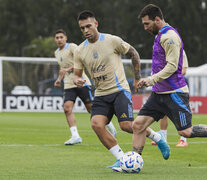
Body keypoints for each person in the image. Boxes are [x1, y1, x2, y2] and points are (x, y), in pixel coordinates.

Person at [73, 10, 169, 169]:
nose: (85, 31)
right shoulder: (79, 50)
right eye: (82, 28)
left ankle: (157, 137)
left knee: (126, 126)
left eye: (88, 26)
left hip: (119, 91)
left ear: (96, 24)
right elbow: (76, 74)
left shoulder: (112, 40)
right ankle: (122, 158)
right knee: (96, 125)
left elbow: (134, 54)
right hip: (101, 95)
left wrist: (137, 78)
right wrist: (78, 80)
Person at [132, 4, 207, 158]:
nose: (145, 28)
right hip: (158, 94)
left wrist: (150, 79)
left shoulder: (170, 37)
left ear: (157, 19)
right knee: (138, 125)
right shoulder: (159, 35)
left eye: (147, 23)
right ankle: (134, 161)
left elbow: (172, 67)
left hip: (174, 94)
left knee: (185, 131)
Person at [54, 29, 117, 145]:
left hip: (82, 82)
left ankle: (109, 126)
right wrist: (58, 80)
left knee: (92, 109)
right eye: (57, 37)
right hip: (69, 85)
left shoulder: (72, 47)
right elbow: (63, 70)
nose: (59, 39)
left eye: (61, 37)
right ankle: (75, 136)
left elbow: (81, 60)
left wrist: (67, 69)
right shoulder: (57, 53)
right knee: (67, 108)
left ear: (66, 38)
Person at [151, 50, 189, 147]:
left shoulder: (180, 51)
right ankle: (163, 138)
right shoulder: (161, 52)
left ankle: (183, 140)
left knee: (181, 114)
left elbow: (184, 70)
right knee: (163, 114)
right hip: (164, 88)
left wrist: (166, 75)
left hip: (176, 89)